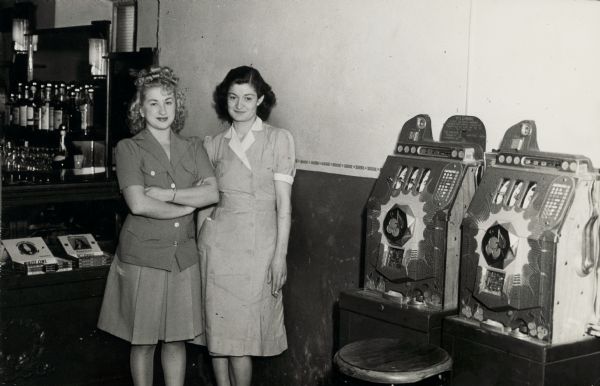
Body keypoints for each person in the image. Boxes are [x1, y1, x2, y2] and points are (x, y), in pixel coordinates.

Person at [97, 66, 219, 386]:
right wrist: (188, 206)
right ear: (140, 108)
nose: (162, 110)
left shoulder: (193, 147)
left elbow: (213, 192)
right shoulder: (129, 148)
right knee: (144, 341)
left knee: (176, 340)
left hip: (182, 257)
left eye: (168, 102)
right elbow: (138, 204)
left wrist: (171, 195)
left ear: (177, 106)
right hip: (144, 257)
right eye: (153, 103)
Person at [194, 65, 295, 386]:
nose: (239, 105)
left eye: (248, 98)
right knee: (217, 335)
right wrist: (199, 242)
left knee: (241, 340)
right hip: (216, 246)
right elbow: (206, 201)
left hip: (257, 249)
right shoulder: (214, 144)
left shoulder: (278, 140)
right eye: (233, 97)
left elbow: (284, 207)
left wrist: (280, 257)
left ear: (260, 100)